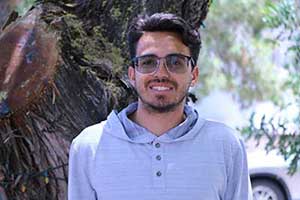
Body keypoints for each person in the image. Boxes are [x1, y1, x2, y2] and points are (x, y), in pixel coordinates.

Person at [68, 13, 252, 200]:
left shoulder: (226, 144)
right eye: (148, 62)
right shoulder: (88, 147)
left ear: (194, 75)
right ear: (132, 75)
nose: (161, 73)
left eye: (175, 62)